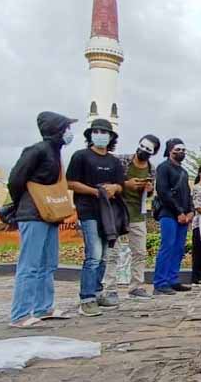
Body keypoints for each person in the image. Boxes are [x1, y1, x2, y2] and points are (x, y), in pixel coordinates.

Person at [8, 112, 77, 328]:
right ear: (56, 130)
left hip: (50, 214)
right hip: (33, 213)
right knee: (30, 264)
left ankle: (43, 307)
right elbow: (15, 180)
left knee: (48, 263)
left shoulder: (55, 153)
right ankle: (20, 313)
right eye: (66, 127)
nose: (69, 132)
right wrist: (25, 202)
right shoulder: (37, 151)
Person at [66, 118, 126, 317]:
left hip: (108, 213)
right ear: (91, 135)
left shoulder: (114, 161)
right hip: (88, 210)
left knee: (104, 256)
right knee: (93, 255)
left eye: (104, 132)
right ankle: (87, 298)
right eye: (96, 131)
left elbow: (121, 185)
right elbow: (71, 182)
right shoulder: (81, 157)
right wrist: (95, 191)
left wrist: (113, 188)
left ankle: (98, 291)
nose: (100, 135)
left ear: (110, 137)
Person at [102, 134, 160, 303]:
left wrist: (148, 189)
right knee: (113, 251)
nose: (143, 150)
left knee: (140, 252)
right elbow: (111, 182)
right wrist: (126, 184)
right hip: (118, 211)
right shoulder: (122, 161)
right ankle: (110, 287)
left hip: (137, 213)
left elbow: (150, 193)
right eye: (142, 146)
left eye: (148, 149)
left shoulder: (151, 168)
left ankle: (136, 287)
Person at [152, 138, 194, 295]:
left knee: (178, 248)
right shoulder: (163, 168)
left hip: (184, 216)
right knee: (167, 246)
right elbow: (163, 192)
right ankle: (160, 282)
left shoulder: (183, 171)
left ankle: (172, 279)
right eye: (178, 149)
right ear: (170, 150)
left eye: (183, 150)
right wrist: (179, 212)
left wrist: (190, 211)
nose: (181, 152)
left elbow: (187, 193)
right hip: (169, 214)